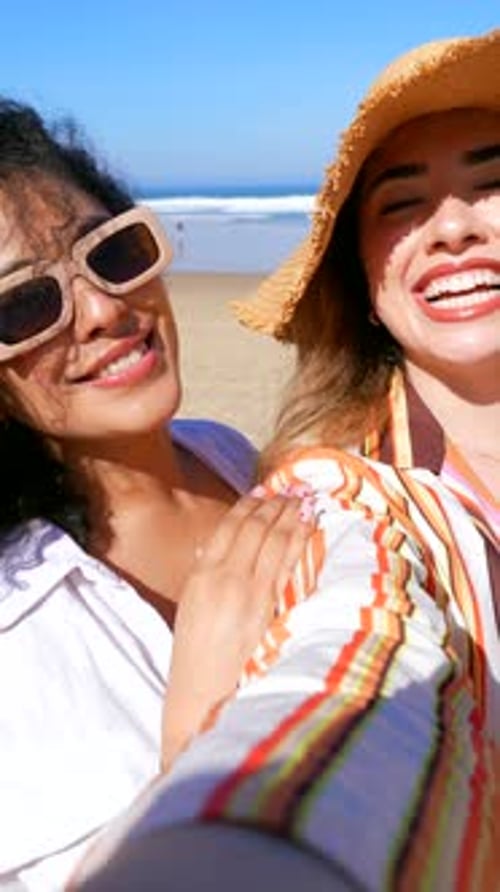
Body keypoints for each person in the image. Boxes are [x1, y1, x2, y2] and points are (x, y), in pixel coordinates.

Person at [74, 28, 499, 891]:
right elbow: (352, 665)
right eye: (402, 205)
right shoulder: (342, 502)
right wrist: (229, 815)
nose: (451, 226)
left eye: (493, 183)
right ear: (368, 288)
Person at [0, 100, 315, 891]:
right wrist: (201, 744)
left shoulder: (233, 455)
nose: (106, 312)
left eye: (111, 253)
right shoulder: (16, 635)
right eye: (24, 306)